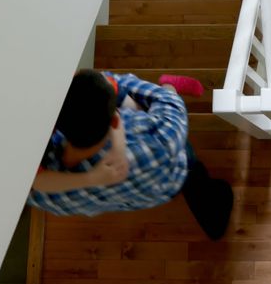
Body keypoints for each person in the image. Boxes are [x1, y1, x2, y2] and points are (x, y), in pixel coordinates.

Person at [28, 70, 233, 240]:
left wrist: (96, 172)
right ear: (116, 121)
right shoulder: (161, 137)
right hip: (170, 174)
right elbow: (172, 107)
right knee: (162, 107)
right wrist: (168, 92)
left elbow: (37, 182)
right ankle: (170, 84)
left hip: (144, 195)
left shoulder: (48, 196)